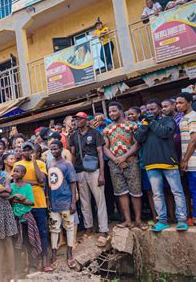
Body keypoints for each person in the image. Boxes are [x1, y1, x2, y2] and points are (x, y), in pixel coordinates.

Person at [134, 99, 188, 232]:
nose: (150, 112)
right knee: (157, 194)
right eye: (147, 110)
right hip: (151, 164)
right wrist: (146, 124)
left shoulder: (169, 120)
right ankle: (162, 220)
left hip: (168, 162)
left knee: (177, 191)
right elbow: (138, 138)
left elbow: (164, 133)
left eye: (153, 109)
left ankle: (182, 220)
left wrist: (151, 122)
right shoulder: (144, 124)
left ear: (159, 109)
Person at [103, 102, 146, 230]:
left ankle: (138, 220)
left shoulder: (132, 126)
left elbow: (137, 144)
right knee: (121, 192)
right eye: (110, 112)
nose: (112, 114)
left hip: (131, 161)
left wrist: (125, 157)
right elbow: (105, 147)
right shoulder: (107, 129)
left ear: (121, 111)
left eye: (114, 111)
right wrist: (116, 160)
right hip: (115, 164)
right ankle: (127, 220)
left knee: (136, 192)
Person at [69, 112, 109, 247]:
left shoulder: (95, 133)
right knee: (85, 202)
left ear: (86, 120)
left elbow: (100, 153)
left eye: (79, 119)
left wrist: (102, 174)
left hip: (94, 169)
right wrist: (72, 173)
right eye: (75, 119)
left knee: (100, 200)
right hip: (80, 170)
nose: (77, 121)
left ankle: (104, 230)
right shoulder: (73, 135)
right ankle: (89, 228)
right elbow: (73, 155)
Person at [13, 141, 50, 271]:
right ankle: (30, 264)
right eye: (25, 150)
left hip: (38, 203)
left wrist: (34, 161)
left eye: (30, 150)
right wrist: (33, 183)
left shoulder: (40, 163)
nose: (28, 152)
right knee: (25, 235)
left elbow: (42, 181)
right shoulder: (17, 164)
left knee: (42, 232)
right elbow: (16, 181)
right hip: (23, 205)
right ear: (22, 151)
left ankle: (45, 262)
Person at [47, 140, 78, 270]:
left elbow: (72, 183)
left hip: (66, 201)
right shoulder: (50, 163)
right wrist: (48, 199)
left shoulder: (67, 164)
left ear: (61, 148)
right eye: (51, 149)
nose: (53, 151)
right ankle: (54, 255)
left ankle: (70, 254)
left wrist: (73, 202)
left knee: (69, 227)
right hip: (54, 202)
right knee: (54, 229)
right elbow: (49, 184)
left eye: (55, 149)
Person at [176, 92, 196, 228]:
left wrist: (184, 160)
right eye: (176, 103)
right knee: (195, 190)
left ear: (189, 102)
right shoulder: (184, 118)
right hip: (191, 162)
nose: (178, 105)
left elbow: (194, 140)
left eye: (181, 102)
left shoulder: (193, 117)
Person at [10, 164, 41, 276]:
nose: (15, 173)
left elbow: (31, 202)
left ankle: (32, 266)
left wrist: (20, 199)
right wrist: (14, 198)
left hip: (26, 219)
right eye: (14, 171)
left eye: (18, 171)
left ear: (23, 174)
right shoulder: (10, 186)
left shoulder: (27, 187)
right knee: (16, 246)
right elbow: (8, 200)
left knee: (29, 243)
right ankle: (18, 269)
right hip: (14, 220)